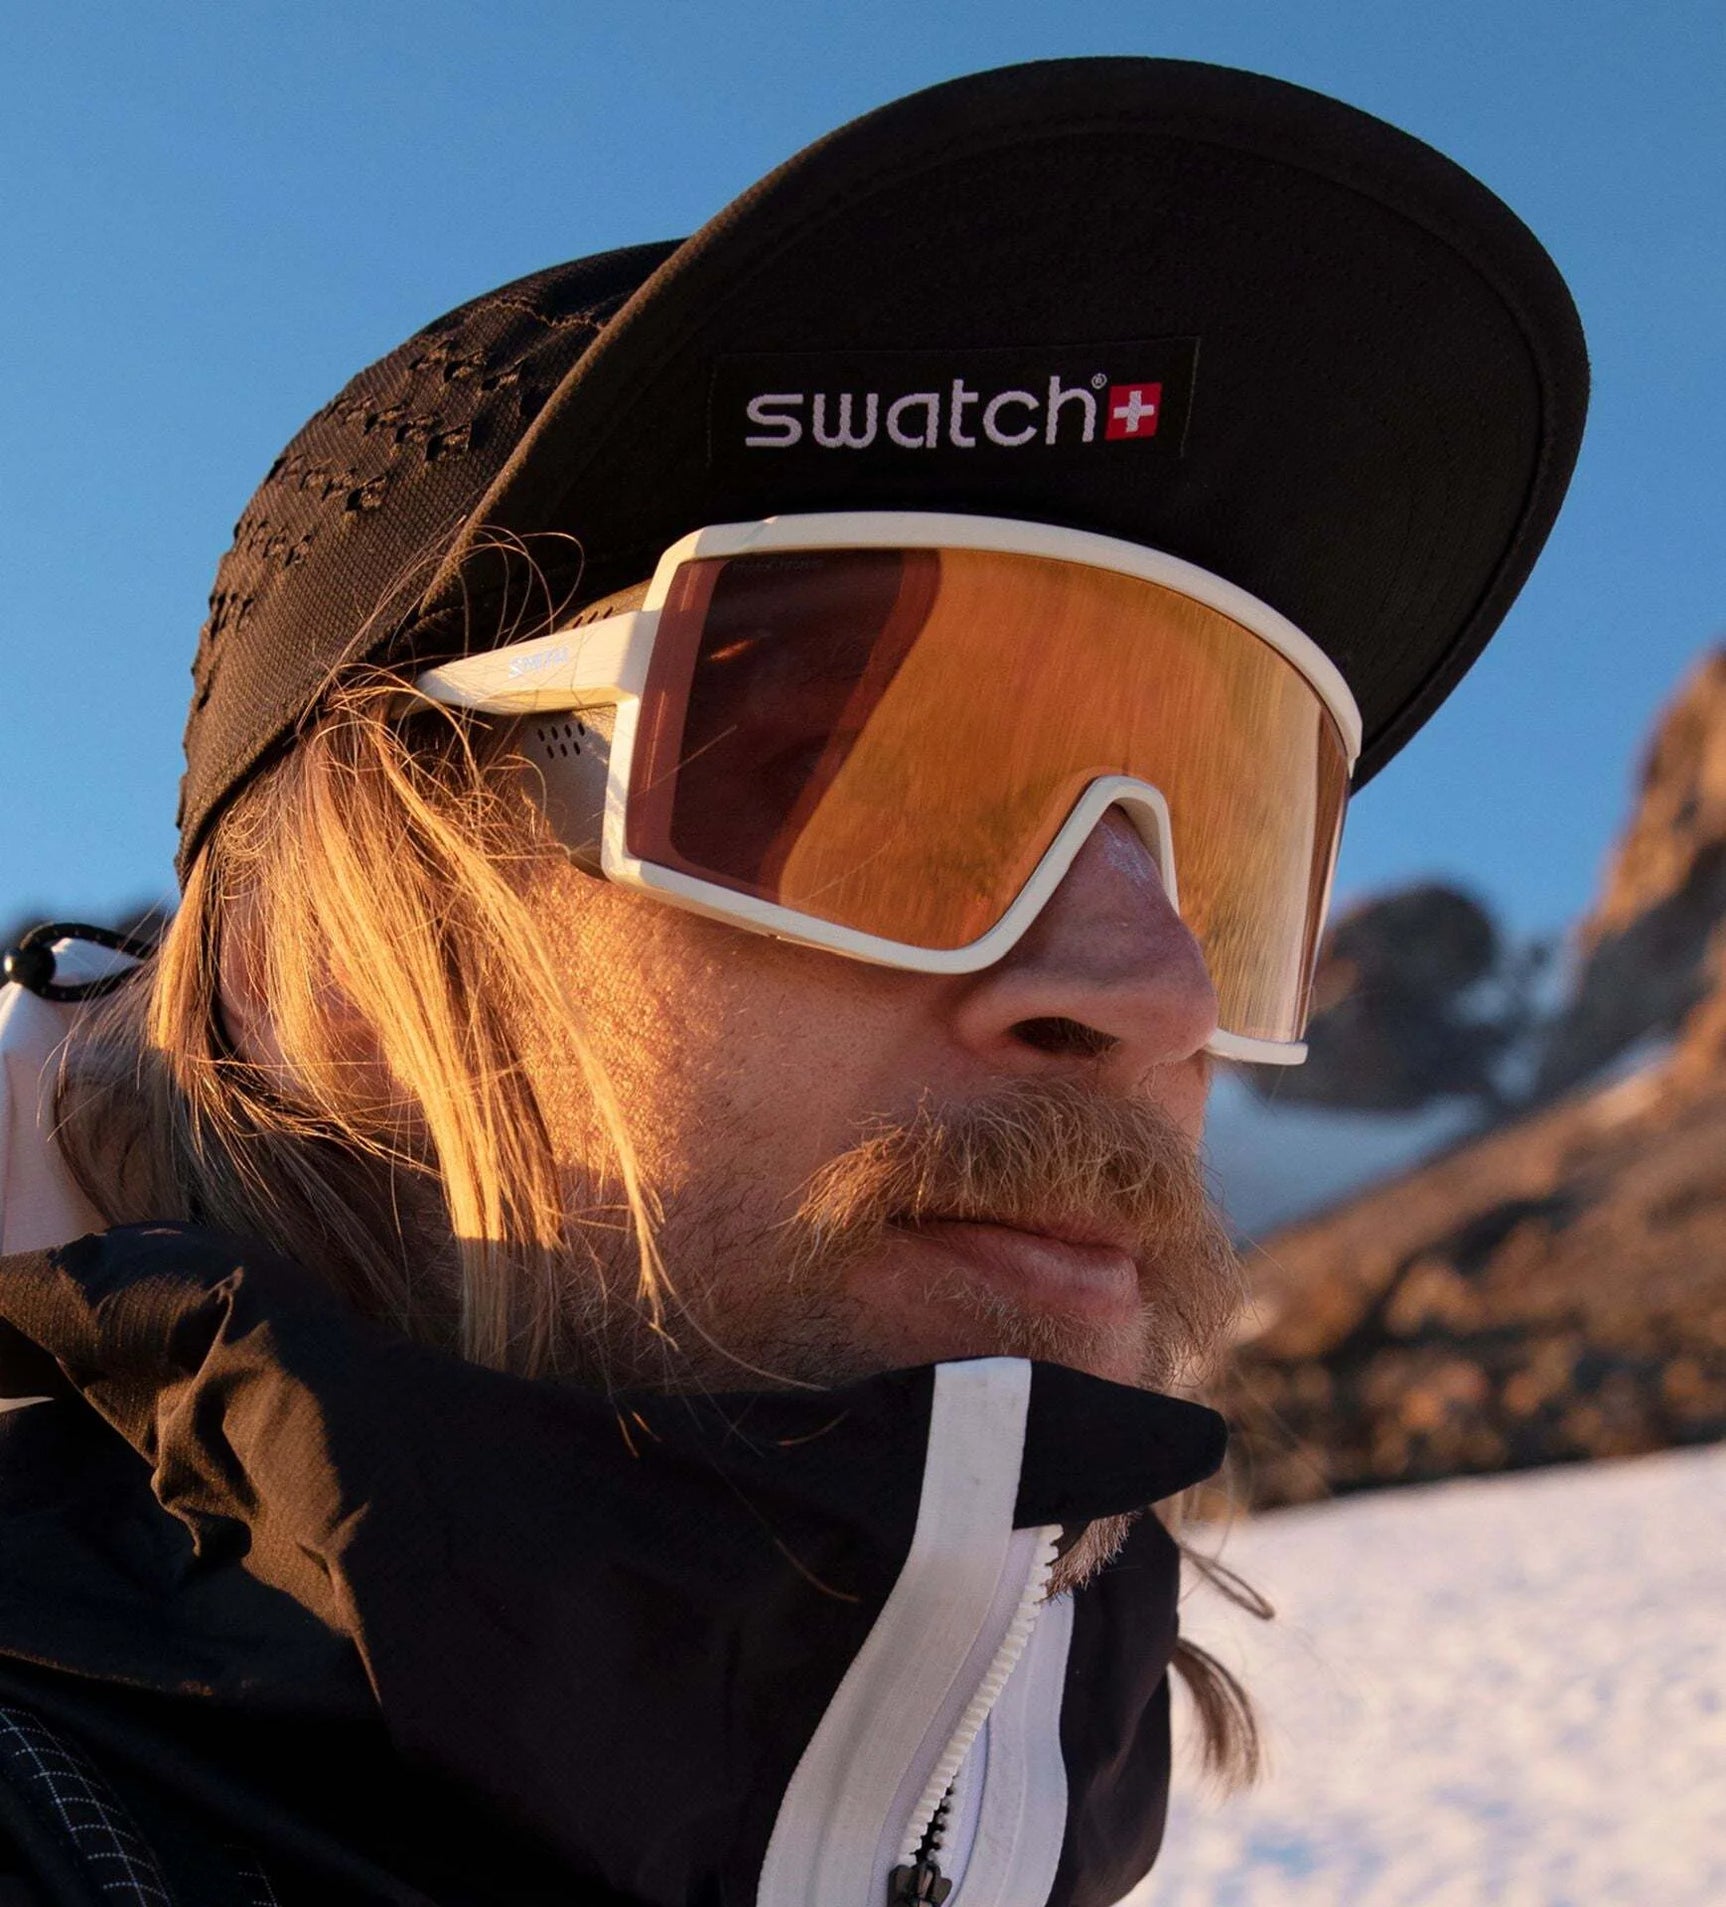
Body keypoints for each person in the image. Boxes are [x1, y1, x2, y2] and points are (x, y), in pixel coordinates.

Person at [0, 56, 1585, 1907]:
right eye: (865, 796)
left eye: (1228, 842)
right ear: (318, 961)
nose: (1146, 980)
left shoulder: (1020, 1806)